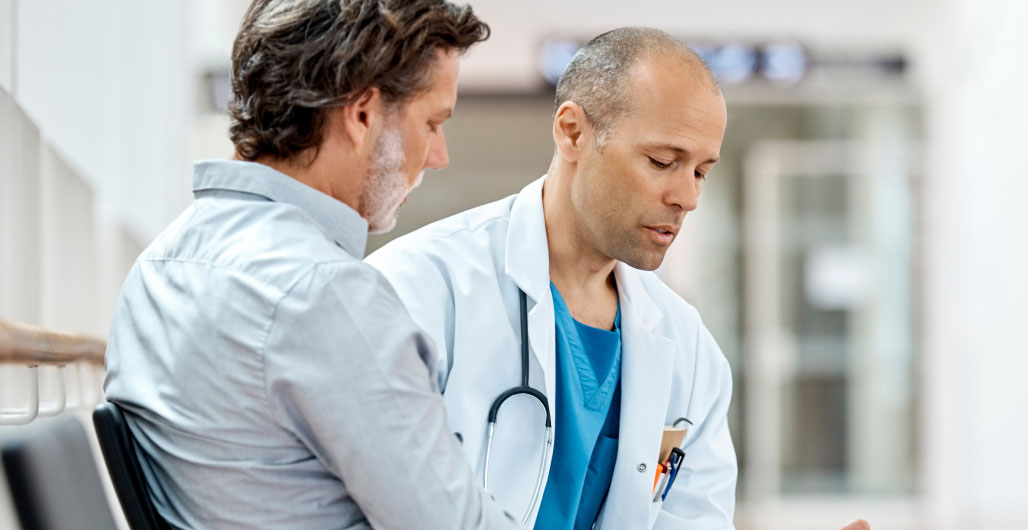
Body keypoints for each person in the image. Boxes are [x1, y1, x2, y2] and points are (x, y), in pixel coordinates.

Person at [103, 1, 520, 528]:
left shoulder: (159, 264)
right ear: (363, 114)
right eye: (433, 123)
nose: (438, 156)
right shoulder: (323, 292)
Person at [368, 27, 733, 529]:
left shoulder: (688, 347)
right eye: (663, 162)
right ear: (572, 132)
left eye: (700, 172)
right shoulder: (421, 289)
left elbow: (695, 518)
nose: (687, 198)